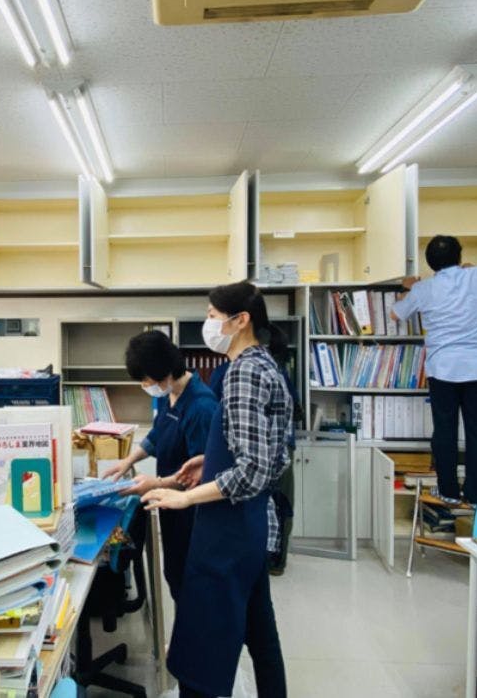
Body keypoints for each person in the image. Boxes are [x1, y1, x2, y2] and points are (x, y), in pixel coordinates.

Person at [143, 280, 292, 698]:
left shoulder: (244, 373)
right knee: (261, 635)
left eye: (212, 315)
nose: (207, 324)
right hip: (249, 527)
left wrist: (185, 497)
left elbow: (252, 470)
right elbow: (266, 453)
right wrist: (207, 462)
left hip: (230, 531)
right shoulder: (265, 365)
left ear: (240, 320)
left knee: (202, 655)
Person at [102, 330, 218, 601]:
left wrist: (156, 484)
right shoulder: (170, 394)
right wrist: (128, 460)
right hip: (170, 504)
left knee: (190, 581)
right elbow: (157, 436)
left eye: (146, 379)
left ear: (165, 372)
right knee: (174, 573)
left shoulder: (201, 407)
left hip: (193, 511)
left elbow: (200, 474)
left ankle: (190, 628)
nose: (145, 385)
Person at [392, 235, 477, 505]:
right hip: (476, 367)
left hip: (442, 369)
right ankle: (475, 494)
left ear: (430, 262)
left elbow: (396, 313)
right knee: (476, 432)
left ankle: (449, 491)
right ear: (459, 256)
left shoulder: (423, 289)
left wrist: (408, 287)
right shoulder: (475, 276)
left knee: (444, 431)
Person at [205, 330, 299, 575]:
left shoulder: (233, 371)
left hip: (239, 454)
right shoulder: (277, 371)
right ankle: (274, 560)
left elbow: (216, 415)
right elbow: (295, 408)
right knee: (279, 505)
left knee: (249, 506)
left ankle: (258, 561)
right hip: (280, 449)